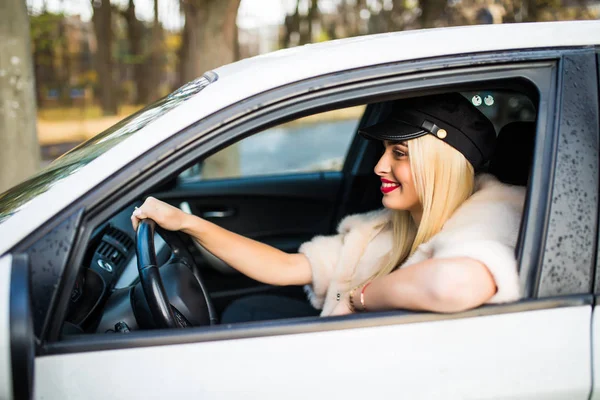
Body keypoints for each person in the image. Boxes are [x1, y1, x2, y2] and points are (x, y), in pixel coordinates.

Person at [131, 93, 526, 323]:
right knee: (246, 311)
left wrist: (358, 298)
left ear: (442, 164)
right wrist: (186, 222)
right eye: (384, 151)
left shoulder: (490, 218)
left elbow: (453, 284)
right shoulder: (383, 228)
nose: (378, 167)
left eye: (399, 153)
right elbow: (284, 267)